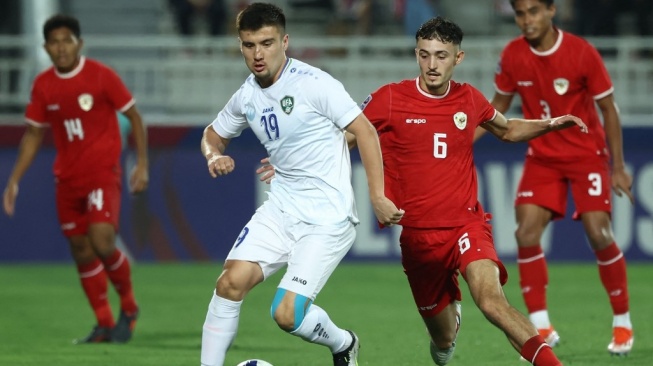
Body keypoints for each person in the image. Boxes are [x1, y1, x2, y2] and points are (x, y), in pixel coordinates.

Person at [357, 16, 587, 366]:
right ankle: (448, 324)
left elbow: (507, 129)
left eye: (441, 55)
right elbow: (341, 138)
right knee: (443, 342)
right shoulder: (390, 98)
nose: (432, 65)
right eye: (424, 55)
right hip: (419, 239)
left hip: (467, 225)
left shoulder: (469, 99)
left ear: (458, 58)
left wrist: (550, 124)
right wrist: (289, 163)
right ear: (416, 54)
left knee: (492, 302)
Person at [198, 3, 403, 366]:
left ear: (285, 41)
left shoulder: (316, 84)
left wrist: (377, 195)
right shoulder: (247, 95)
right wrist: (214, 156)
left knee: (286, 314)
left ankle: (343, 343)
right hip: (280, 209)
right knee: (229, 284)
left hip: (327, 217)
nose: (258, 54)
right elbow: (212, 135)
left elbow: (364, 131)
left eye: (267, 43)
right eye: (249, 45)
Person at [478, 0, 635, 356]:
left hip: (585, 155)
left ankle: (623, 322)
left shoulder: (581, 52)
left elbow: (608, 109)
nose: (526, 20)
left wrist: (619, 166)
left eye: (533, 11)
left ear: (552, 11)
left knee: (599, 233)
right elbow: (495, 111)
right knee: (525, 232)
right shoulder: (513, 55)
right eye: (520, 13)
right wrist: (461, 143)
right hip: (543, 158)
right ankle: (542, 325)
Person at [2, 14, 148, 344]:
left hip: (102, 173)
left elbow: (134, 117)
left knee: (101, 240)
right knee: (81, 250)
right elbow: (33, 135)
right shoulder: (43, 85)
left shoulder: (100, 76)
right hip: (67, 180)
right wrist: (14, 180)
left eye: (67, 40)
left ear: (79, 44)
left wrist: (141, 163)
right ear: (46, 48)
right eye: (54, 42)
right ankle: (104, 324)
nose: (61, 47)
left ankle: (129, 306)